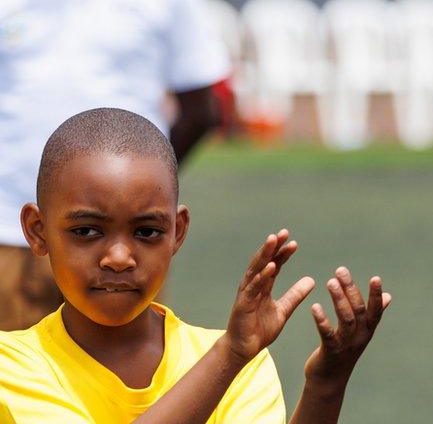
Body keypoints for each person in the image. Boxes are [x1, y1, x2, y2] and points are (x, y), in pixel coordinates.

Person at [0, 108, 390, 422]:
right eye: (86, 231)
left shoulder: (240, 365)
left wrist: (324, 388)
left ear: (178, 232)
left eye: (147, 232)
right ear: (37, 232)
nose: (119, 258)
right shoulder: (12, 365)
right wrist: (230, 355)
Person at [0, 0, 229, 330]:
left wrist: (140, 195)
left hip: (119, 245)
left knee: (123, 394)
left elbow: (201, 109)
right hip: (7, 233)